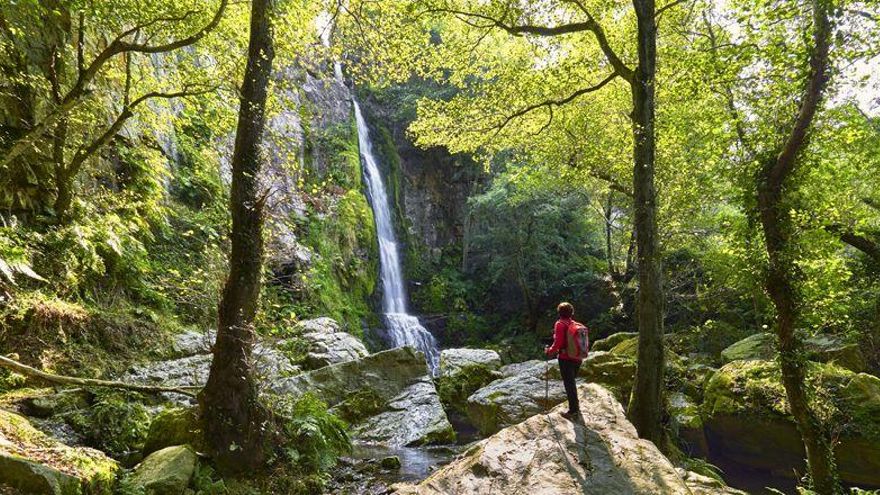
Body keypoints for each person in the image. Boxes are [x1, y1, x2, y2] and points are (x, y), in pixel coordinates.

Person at [545, 302, 588, 420]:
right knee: (572, 382)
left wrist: (549, 351)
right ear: (571, 313)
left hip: (566, 358)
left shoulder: (560, 324)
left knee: (569, 384)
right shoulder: (575, 324)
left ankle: (573, 410)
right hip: (577, 357)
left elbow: (558, 343)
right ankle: (575, 407)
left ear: (559, 313)